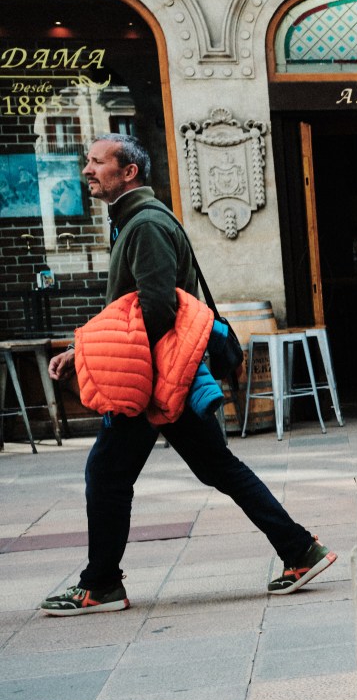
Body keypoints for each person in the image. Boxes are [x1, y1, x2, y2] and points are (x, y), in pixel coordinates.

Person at [40, 134, 335, 615]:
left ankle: (101, 585)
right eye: (88, 162)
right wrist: (83, 349)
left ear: (128, 172)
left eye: (96, 163)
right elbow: (131, 311)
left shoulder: (146, 226)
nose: (86, 171)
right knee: (214, 467)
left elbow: (155, 309)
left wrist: (98, 353)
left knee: (108, 473)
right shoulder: (134, 221)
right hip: (155, 374)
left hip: (152, 379)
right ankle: (300, 550)